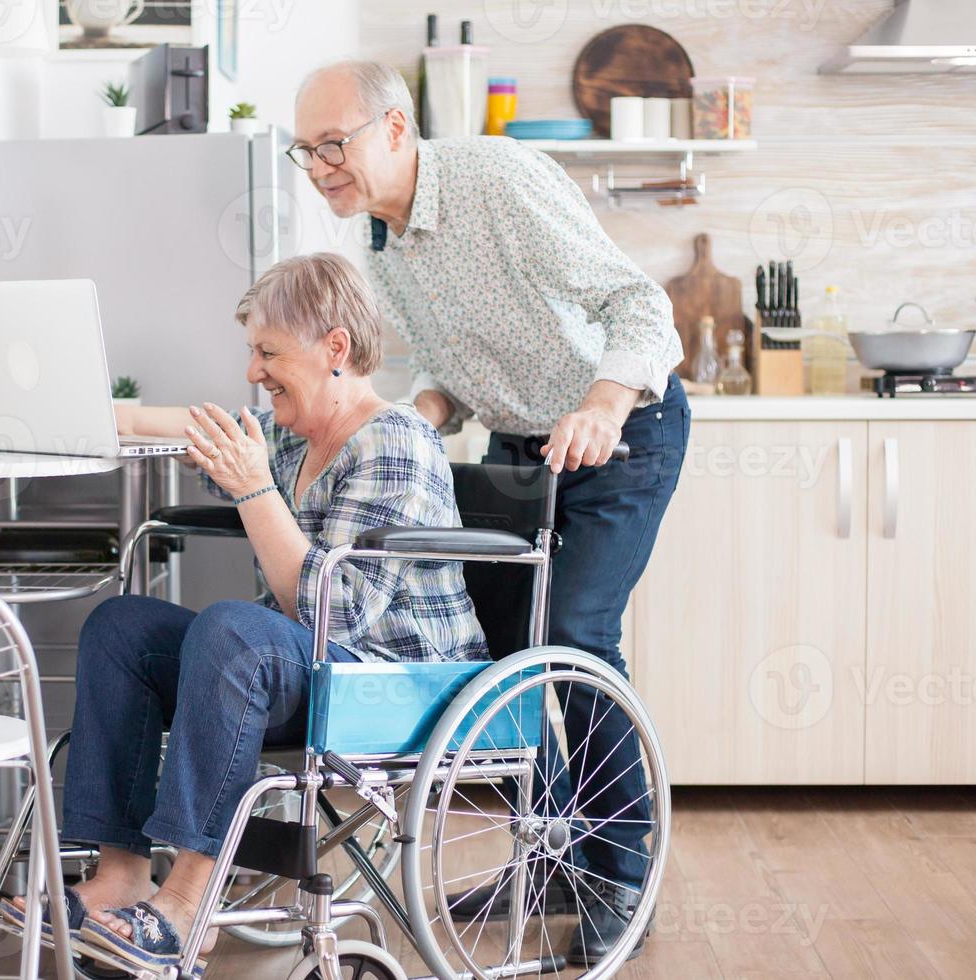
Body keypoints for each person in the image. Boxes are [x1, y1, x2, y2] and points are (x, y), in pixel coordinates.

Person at [291, 61, 690, 962]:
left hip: (624, 430)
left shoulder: (500, 182)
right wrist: (406, 421)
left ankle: (623, 872)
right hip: (524, 452)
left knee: (577, 637)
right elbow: (455, 380)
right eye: (305, 151)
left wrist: (601, 403)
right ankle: (553, 857)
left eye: (333, 146)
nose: (318, 168)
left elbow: (640, 305)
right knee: (507, 653)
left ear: (395, 130)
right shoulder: (380, 252)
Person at [5, 252, 488, 975]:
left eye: (268, 353)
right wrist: (37, 413)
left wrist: (256, 490)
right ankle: (118, 877)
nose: (253, 371)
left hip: (392, 685)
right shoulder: (291, 433)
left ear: (335, 348)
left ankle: (186, 907)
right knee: (122, 630)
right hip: (301, 669)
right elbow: (154, 419)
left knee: (234, 631)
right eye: (251, 352)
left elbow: (338, 612)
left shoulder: (396, 442)